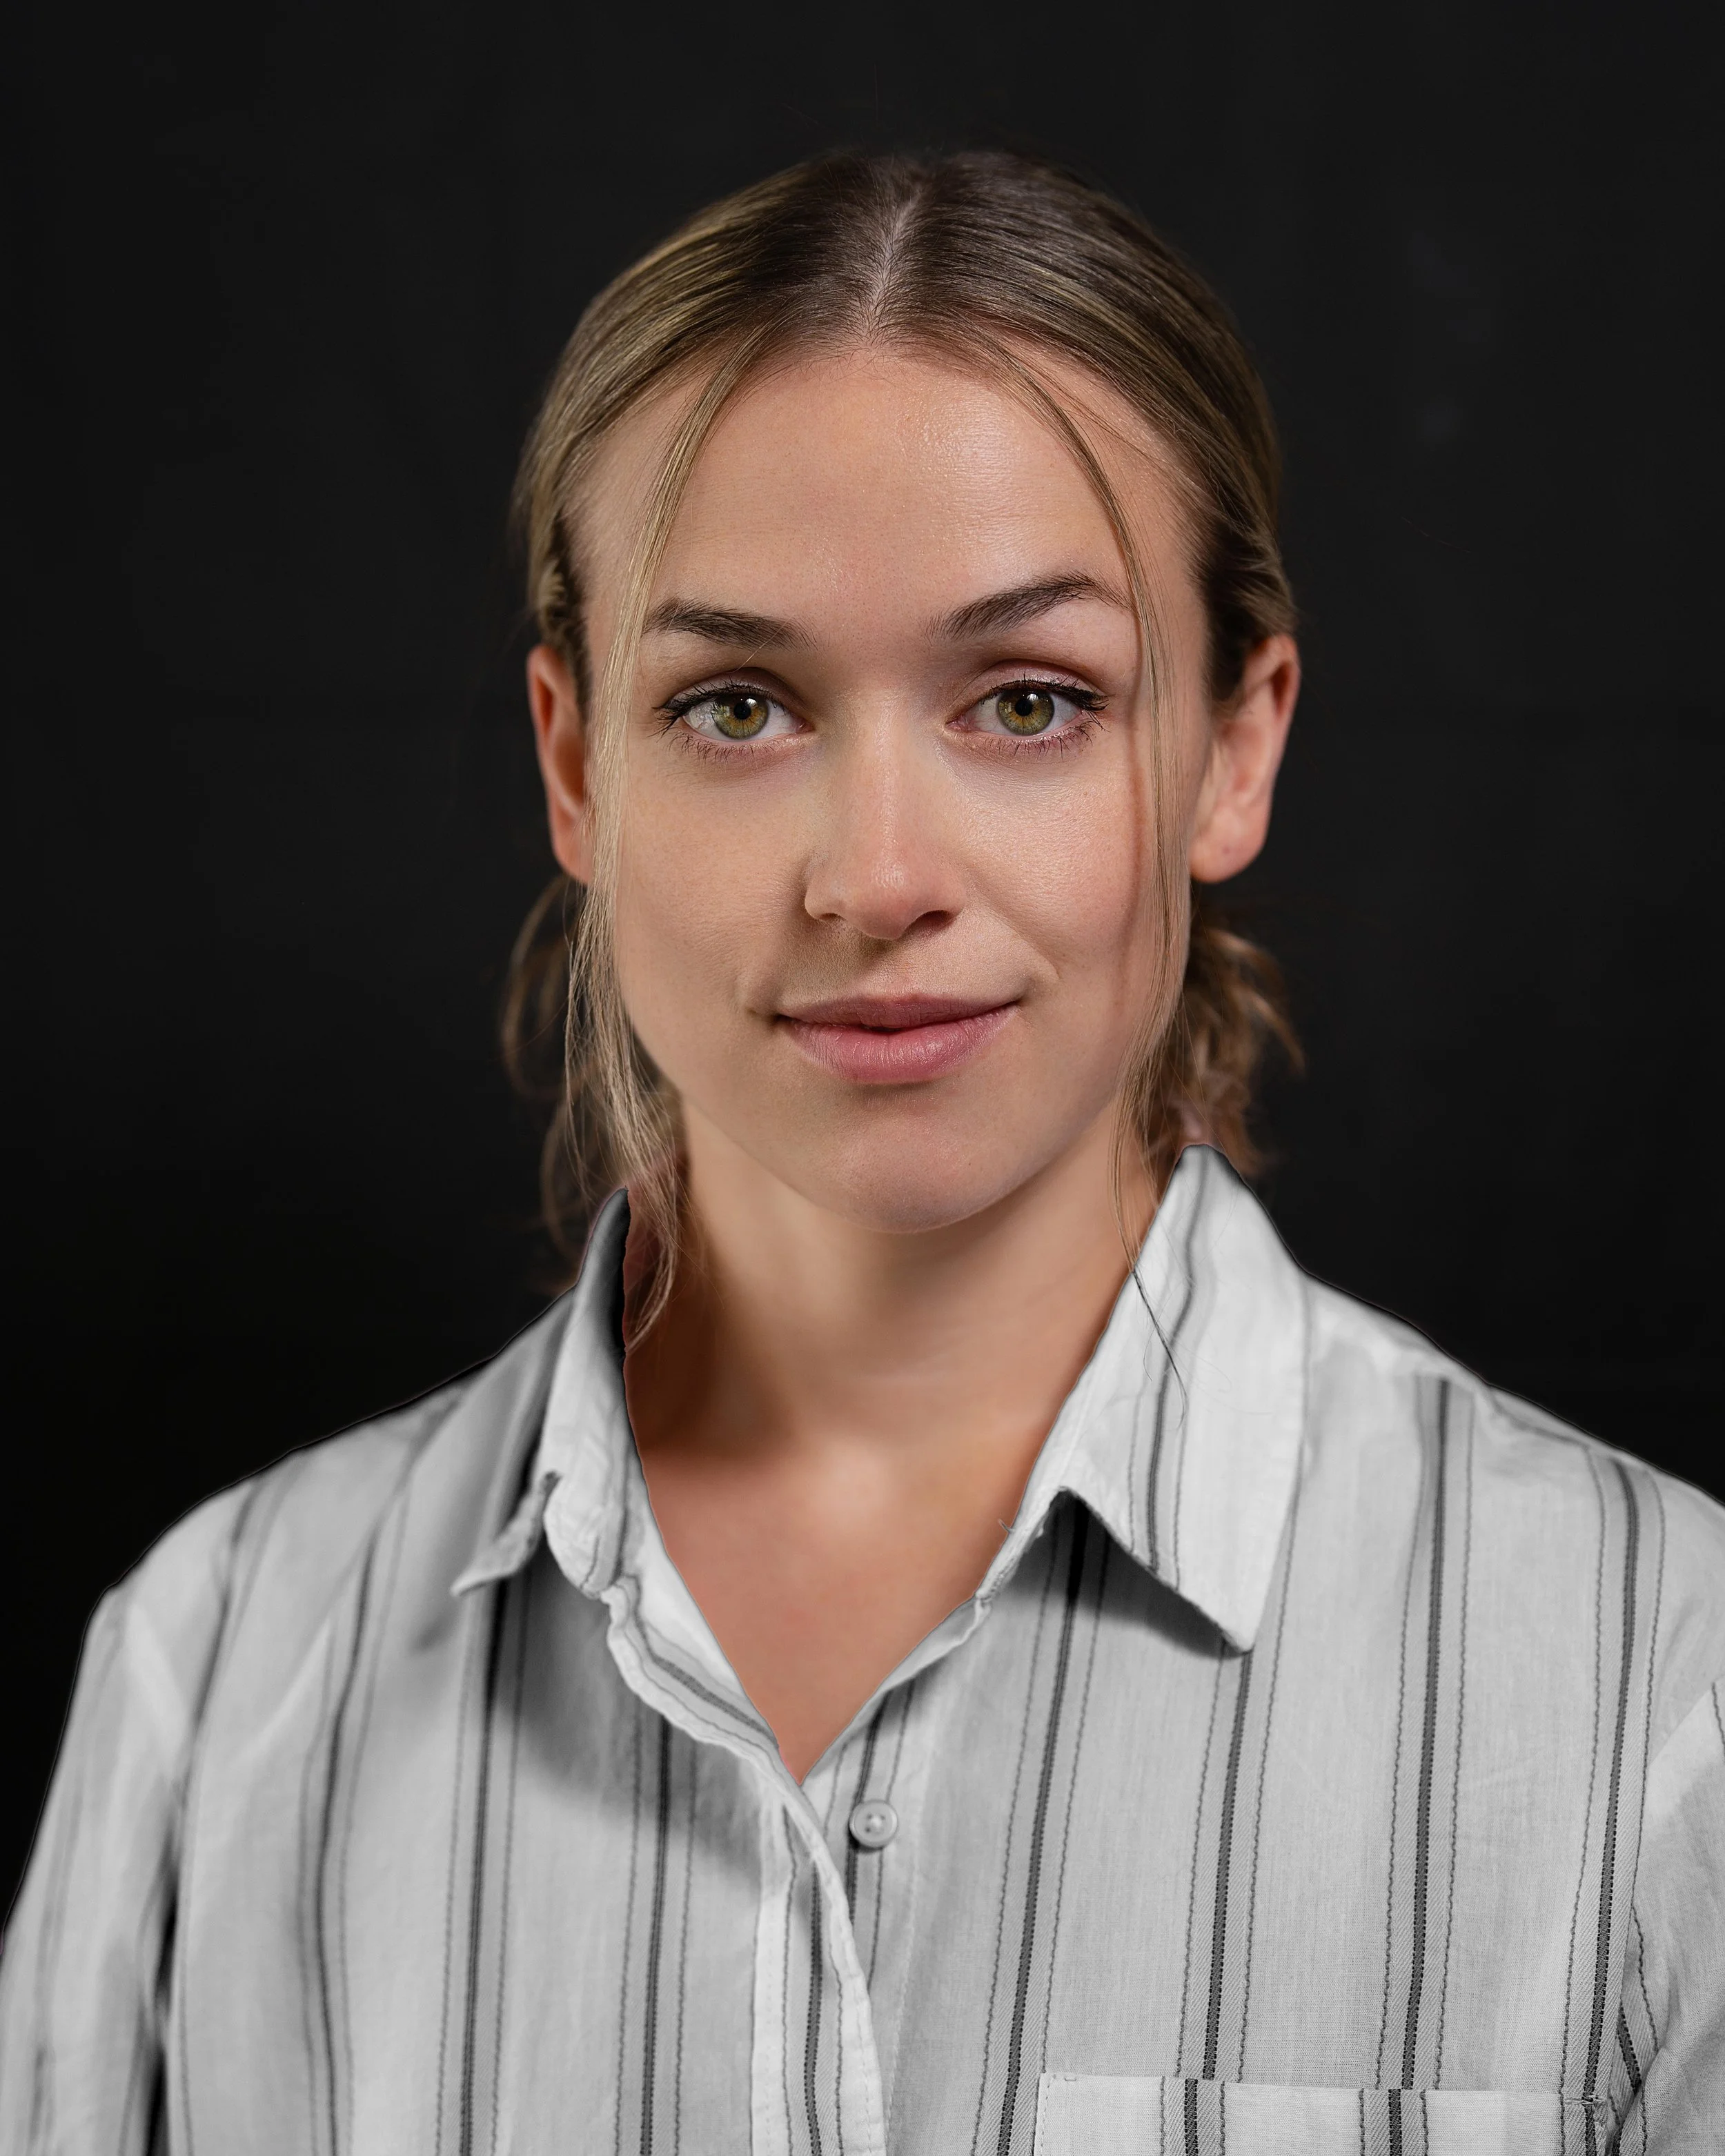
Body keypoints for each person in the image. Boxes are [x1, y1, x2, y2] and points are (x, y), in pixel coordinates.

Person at [3, 150, 1720, 2156]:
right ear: (577, 765)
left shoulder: (1659, 1691)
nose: (875, 877)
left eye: (1027, 699)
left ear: (1233, 745)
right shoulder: (214, 1675)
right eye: (733, 702)